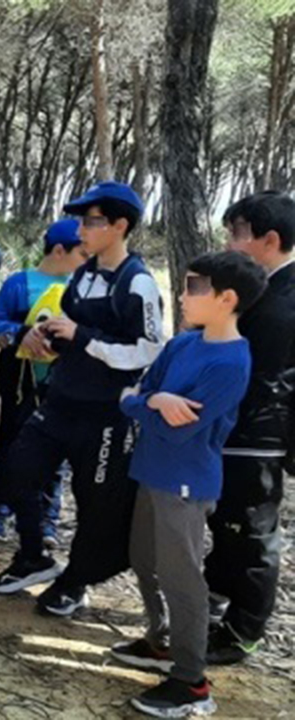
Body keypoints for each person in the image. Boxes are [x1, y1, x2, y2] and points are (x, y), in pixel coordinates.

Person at [0, 181, 163, 617]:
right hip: (60, 399)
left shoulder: (137, 283)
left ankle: (76, 580)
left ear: (121, 226)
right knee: (19, 469)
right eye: (81, 220)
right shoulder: (83, 275)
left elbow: (147, 350)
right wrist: (50, 336)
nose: (82, 229)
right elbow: (73, 325)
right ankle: (33, 557)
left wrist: (82, 338)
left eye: (93, 221)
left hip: (106, 414)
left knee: (96, 502)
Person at [109, 251, 264, 718]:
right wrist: (154, 399)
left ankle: (191, 681)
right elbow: (134, 396)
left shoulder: (232, 363)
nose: (182, 293)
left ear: (227, 298)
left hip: (184, 483)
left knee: (182, 581)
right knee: (144, 560)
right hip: (151, 472)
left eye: (194, 286)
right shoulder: (182, 344)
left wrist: (146, 403)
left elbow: (177, 428)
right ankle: (160, 643)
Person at [205, 191, 295, 665]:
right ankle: (217, 594)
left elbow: (263, 377)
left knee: (252, 532)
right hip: (236, 429)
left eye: (237, 233)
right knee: (226, 521)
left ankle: (243, 630)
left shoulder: (283, 302)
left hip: (258, 436)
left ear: (270, 239)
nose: (229, 242)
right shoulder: (263, 290)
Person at [0, 218, 87, 542]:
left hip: (63, 386)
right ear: (59, 250)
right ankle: (0, 511)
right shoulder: (18, 284)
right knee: (11, 444)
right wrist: (20, 335)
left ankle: (46, 520)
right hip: (19, 384)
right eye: (82, 252)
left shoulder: (84, 287)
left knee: (58, 452)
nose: (88, 258)